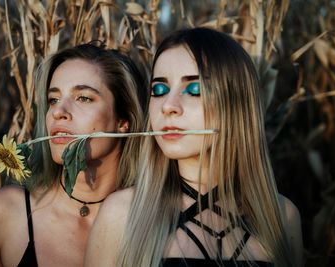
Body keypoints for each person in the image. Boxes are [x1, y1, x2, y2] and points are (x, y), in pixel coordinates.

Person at [84, 28, 303, 267]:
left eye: (194, 89)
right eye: (159, 90)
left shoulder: (282, 218)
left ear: (236, 105)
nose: (168, 105)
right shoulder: (123, 215)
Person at [0, 43, 147, 267]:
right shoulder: (6, 213)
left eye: (83, 98)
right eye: (53, 99)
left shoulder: (151, 222)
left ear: (123, 122)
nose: (58, 112)